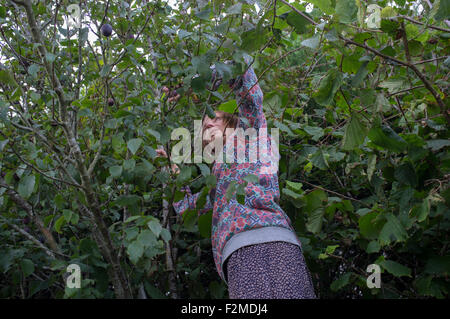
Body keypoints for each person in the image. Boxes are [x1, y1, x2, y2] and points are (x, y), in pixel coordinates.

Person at [157, 54, 316, 299]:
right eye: (205, 122)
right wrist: (171, 171)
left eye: (216, 118)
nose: (208, 123)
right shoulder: (218, 181)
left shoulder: (250, 137)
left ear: (233, 123)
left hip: (269, 240)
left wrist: (192, 86)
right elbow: (190, 210)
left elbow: (243, 76)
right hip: (237, 253)